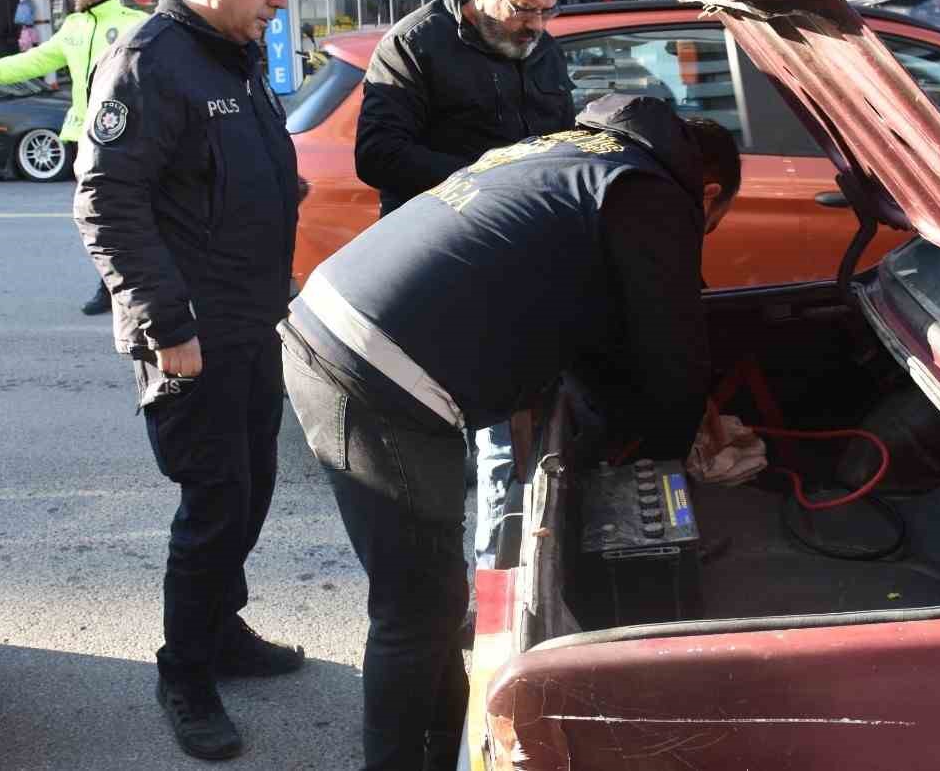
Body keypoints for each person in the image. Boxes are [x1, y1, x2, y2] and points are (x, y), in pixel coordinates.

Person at [282, 93, 739, 770]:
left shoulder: (572, 153)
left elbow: (589, 319)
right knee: (415, 610)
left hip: (341, 325)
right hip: (374, 367)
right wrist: (668, 468)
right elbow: (671, 355)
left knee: (429, 595)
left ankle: (443, 745)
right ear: (708, 193)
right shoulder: (650, 192)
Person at [73, 0, 316, 761]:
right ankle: (185, 674)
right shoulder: (151, 60)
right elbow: (106, 202)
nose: (277, 2)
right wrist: (164, 325)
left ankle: (222, 628)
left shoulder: (235, 58)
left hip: (252, 322)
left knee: (250, 490)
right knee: (214, 505)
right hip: (192, 336)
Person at [354, 0, 576, 580]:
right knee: (452, 451)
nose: (536, 25)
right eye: (525, 9)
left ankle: (495, 589)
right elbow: (378, 155)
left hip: (522, 268)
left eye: (548, 10)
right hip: (442, 269)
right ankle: (439, 599)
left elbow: (557, 136)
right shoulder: (414, 46)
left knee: (512, 439)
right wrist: (485, 179)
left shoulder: (541, 49)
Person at [0, 0, 145, 315]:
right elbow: (35, 61)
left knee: (123, 214)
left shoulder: (135, 24)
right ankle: (112, 285)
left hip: (123, 136)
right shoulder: (72, 26)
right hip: (82, 138)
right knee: (97, 218)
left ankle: (127, 285)